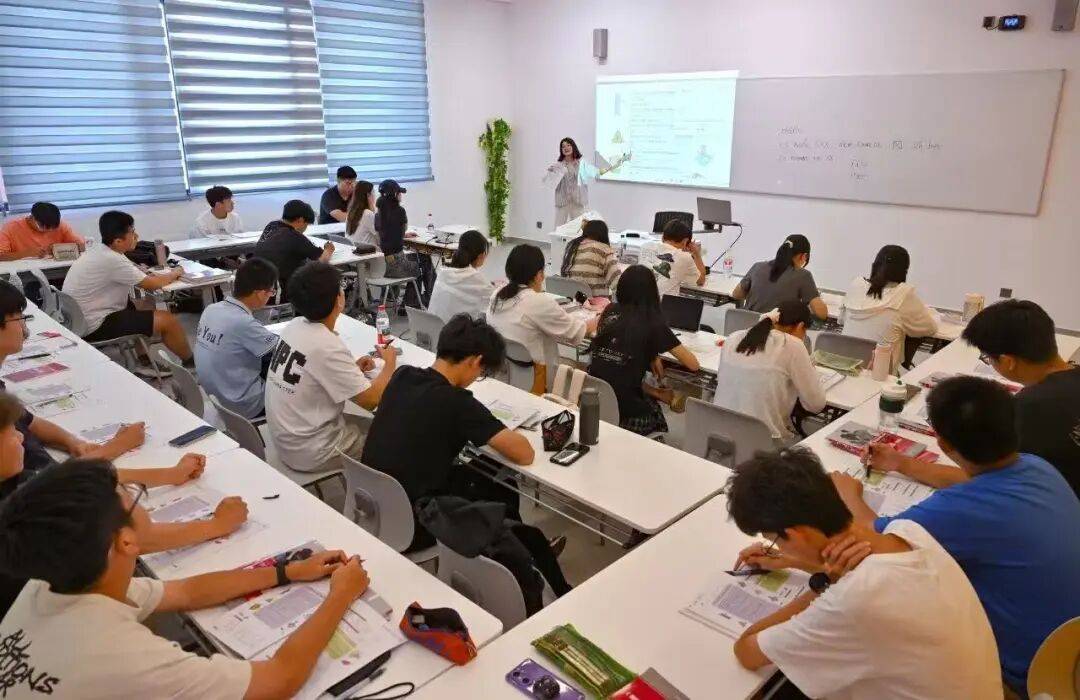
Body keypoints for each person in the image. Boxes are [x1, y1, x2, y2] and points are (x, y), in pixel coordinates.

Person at [0, 459, 371, 699]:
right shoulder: (125, 656)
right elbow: (279, 679)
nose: (139, 499)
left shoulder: (50, 584)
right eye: (132, 495)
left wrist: (286, 571)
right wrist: (341, 594)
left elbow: (185, 591)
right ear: (126, 542)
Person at [831, 376, 1080, 692]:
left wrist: (847, 494)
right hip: (1070, 649)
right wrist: (902, 463)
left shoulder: (959, 511)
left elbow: (875, 539)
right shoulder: (1036, 466)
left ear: (944, 444)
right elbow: (969, 478)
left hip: (1030, 673)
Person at [726, 448, 1001, 699]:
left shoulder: (851, 603)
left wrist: (825, 583)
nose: (777, 548)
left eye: (774, 540)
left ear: (796, 534)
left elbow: (747, 651)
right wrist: (796, 562)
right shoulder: (908, 533)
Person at [0, 390, 249, 617]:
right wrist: (217, 525)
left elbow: (87, 479)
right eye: (11, 432)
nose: (21, 435)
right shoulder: (17, 508)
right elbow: (140, 538)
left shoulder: (14, 481)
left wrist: (171, 474)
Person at [264, 262, 396, 471]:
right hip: (312, 449)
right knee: (395, 435)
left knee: (377, 424)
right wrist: (390, 363)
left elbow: (311, 373)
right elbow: (369, 401)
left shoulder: (294, 327)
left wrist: (351, 369)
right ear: (338, 300)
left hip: (287, 438)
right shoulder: (326, 345)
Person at [962, 299, 1079, 496]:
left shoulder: (1028, 407)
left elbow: (987, 480)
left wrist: (908, 464)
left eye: (987, 358)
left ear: (1008, 361)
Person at [62, 211, 192, 369]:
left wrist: (146, 273)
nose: (136, 236)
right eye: (132, 232)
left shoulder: (100, 251)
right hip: (94, 325)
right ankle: (191, 364)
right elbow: (152, 284)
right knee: (167, 320)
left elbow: (133, 273)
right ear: (118, 241)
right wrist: (175, 273)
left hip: (78, 319)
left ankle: (143, 360)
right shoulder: (112, 259)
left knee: (142, 304)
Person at [588, 266, 699, 435]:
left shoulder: (610, 311)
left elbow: (620, 359)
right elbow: (693, 365)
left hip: (595, 404)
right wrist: (654, 352)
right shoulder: (652, 321)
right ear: (652, 292)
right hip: (628, 417)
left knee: (620, 372)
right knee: (654, 410)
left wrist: (652, 354)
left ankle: (659, 394)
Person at [488, 244, 598, 394]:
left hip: (504, 376)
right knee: (578, 368)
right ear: (539, 274)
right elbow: (576, 332)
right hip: (535, 380)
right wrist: (598, 319)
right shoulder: (538, 302)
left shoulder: (497, 296)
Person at [712, 301, 826, 444]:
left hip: (717, 432)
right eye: (805, 332)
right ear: (800, 326)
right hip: (761, 442)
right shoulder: (793, 345)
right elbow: (816, 405)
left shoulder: (733, 337)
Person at [195, 258, 279, 419]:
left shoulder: (211, 309)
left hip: (217, 395)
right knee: (294, 369)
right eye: (271, 292)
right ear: (260, 293)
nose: (270, 295)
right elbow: (283, 349)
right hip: (245, 404)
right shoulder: (243, 322)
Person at [841, 245, 938, 373]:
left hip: (845, 370)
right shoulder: (903, 295)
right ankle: (905, 366)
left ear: (874, 265)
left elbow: (841, 320)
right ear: (904, 271)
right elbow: (930, 329)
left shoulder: (856, 285)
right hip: (880, 376)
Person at [253, 200, 333, 299]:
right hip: (277, 291)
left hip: (256, 285)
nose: (305, 228)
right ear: (300, 220)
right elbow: (322, 259)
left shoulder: (271, 225)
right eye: (306, 224)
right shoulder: (294, 236)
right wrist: (329, 249)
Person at [734, 234, 827, 320]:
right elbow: (822, 314)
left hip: (746, 327)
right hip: (773, 330)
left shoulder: (757, 266)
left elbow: (736, 294)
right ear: (804, 256)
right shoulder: (803, 275)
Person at [374, 179, 433, 307]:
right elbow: (403, 228)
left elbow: (386, 234)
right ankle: (421, 302)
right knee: (423, 263)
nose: (401, 196)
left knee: (416, 259)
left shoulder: (378, 215)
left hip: (380, 267)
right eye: (399, 193)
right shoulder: (400, 211)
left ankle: (409, 302)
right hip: (396, 266)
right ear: (395, 194)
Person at [426, 230, 493, 322]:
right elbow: (495, 301)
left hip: (431, 327)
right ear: (481, 255)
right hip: (453, 330)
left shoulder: (443, 272)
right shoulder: (476, 278)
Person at [639, 220, 706, 298]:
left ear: (663, 236)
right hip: (662, 304)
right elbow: (700, 281)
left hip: (638, 301)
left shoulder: (645, 246)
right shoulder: (685, 257)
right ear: (685, 241)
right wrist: (696, 254)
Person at [0, 201, 85, 261]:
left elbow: (82, 247)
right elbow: (1, 256)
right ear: (32, 217)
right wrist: (27, 253)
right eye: (43, 226)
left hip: (55, 269)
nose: (47, 231)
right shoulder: (11, 227)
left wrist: (57, 248)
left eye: (51, 228)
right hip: (24, 273)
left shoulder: (59, 225)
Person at [560, 219, 620, 297]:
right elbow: (617, 283)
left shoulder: (572, 247)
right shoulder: (605, 250)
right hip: (594, 301)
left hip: (572, 298)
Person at [548, 137, 588, 226]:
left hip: (577, 199)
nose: (566, 148)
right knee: (559, 226)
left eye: (568, 145)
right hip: (563, 199)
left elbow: (583, 181)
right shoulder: (558, 165)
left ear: (573, 147)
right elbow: (552, 183)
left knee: (579, 226)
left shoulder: (581, 163)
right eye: (563, 146)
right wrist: (552, 173)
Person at [344, 180, 378, 248]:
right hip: (369, 252)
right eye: (373, 193)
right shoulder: (368, 214)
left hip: (355, 251)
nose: (374, 196)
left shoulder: (351, 212)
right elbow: (380, 237)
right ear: (368, 195)